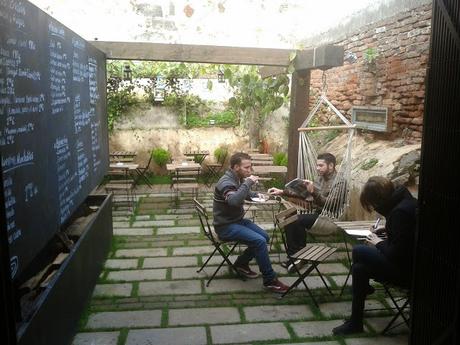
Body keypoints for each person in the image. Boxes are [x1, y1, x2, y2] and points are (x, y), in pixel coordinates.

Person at [332, 176, 417, 335]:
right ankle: (355, 322)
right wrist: (387, 230)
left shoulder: (400, 212)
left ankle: (364, 291)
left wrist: (377, 242)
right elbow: (404, 237)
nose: (374, 208)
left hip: (407, 273)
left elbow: (395, 254)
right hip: (407, 264)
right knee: (359, 268)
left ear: (378, 200)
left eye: (372, 204)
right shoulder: (404, 202)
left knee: (359, 251)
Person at [213, 152, 289, 293]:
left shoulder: (236, 178)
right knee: (259, 241)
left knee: (264, 237)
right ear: (236, 167)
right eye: (246, 167)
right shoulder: (226, 182)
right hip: (225, 226)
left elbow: (243, 192)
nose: (250, 170)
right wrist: (248, 182)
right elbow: (234, 200)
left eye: (250, 167)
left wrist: (257, 195)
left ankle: (241, 264)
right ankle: (270, 280)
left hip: (236, 221)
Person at [268, 152, 344, 271]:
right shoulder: (320, 178)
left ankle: (296, 257)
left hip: (328, 218)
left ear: (331, 166)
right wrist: (282, 192)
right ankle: (298, 256)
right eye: (317, 165)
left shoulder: (340, 183)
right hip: (316, 213)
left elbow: (329, 205)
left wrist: (313, 192)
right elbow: (306, 196)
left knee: (295, 220)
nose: (317, 168)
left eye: (321, 165)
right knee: (289, 217)